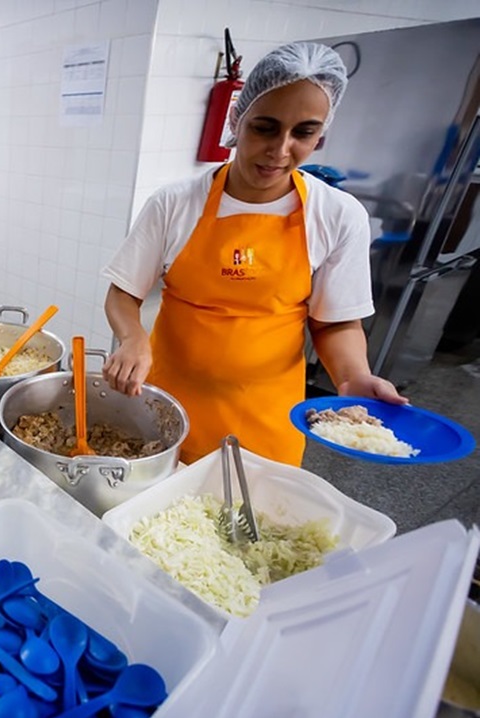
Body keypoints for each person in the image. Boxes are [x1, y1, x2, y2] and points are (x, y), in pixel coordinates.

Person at [101, 42, 406, 466]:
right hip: (166, 409)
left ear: (320, 135)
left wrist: (353, 377)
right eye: (265, 127)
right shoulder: (176, 202)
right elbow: (124, 292)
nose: (280, 150)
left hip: (266, 419)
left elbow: (335, 322)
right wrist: (133, 339)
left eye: (303, 132)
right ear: (236, 120)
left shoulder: (337, 215)